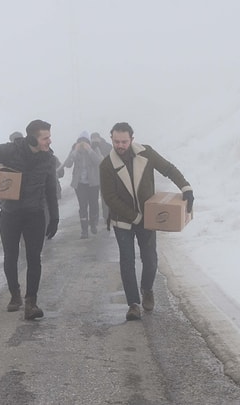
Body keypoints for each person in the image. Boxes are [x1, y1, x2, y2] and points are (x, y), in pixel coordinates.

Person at [99, 122, 193, 321]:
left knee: (150, 259)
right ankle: (133, 304)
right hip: (122, 221)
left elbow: (168, 169)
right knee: (127, 261)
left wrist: (186, 187)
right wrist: (136, 217)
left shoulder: (146, 153)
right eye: (116, 141)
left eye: (124, 141)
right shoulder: (106, 165)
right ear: (111, 140)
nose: (120, 145)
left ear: (132, 139)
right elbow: (110, 198)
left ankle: (147, 289)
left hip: (148, 219)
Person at [0, 120, 59, 320]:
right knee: (11, 255)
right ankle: (15, 295)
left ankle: (31, 303)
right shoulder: (11, 151)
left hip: (35, 214)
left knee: (34, 258)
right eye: (45, 137)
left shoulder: (49, 159)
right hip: (10, 214)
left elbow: (51, 188)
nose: (49, 141)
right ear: (33, 138)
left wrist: (55, 216)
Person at [60, 131, 103, 239]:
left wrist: (89, 150)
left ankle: (93, 223)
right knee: (82, 206)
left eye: (84, 141)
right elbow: (68, 164)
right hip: (79, 183)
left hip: (93, 183)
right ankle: (84, 230)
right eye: (80, 141)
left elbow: (99, 162)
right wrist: (74, 152)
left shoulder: (94, 148)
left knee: (93, 204)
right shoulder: (75, 149)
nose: (82, 143)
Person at [90, 131, 113, 223]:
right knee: (93, 198)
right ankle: (94, 217)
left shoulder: (107, 146)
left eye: (96, 139)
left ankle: (106, 216)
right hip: (94, 176)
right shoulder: (90, 148)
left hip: (106, 175)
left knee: (105, 197)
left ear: (99, 138)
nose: (95, 141)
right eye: (93, 139)